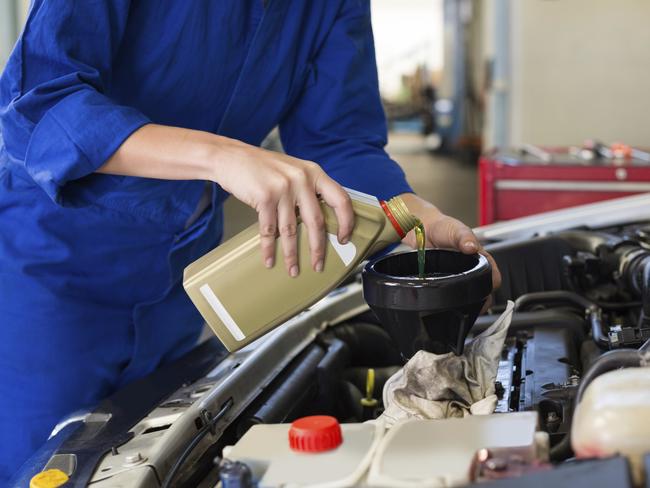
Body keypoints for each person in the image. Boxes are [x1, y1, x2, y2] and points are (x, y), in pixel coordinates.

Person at [0, 0, 500, 480]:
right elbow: (40, 104)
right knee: (42, 468)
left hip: (184, 277)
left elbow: (338, 143)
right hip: (49, 272)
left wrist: (418, 217)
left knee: (145, 462)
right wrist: (222, 157)